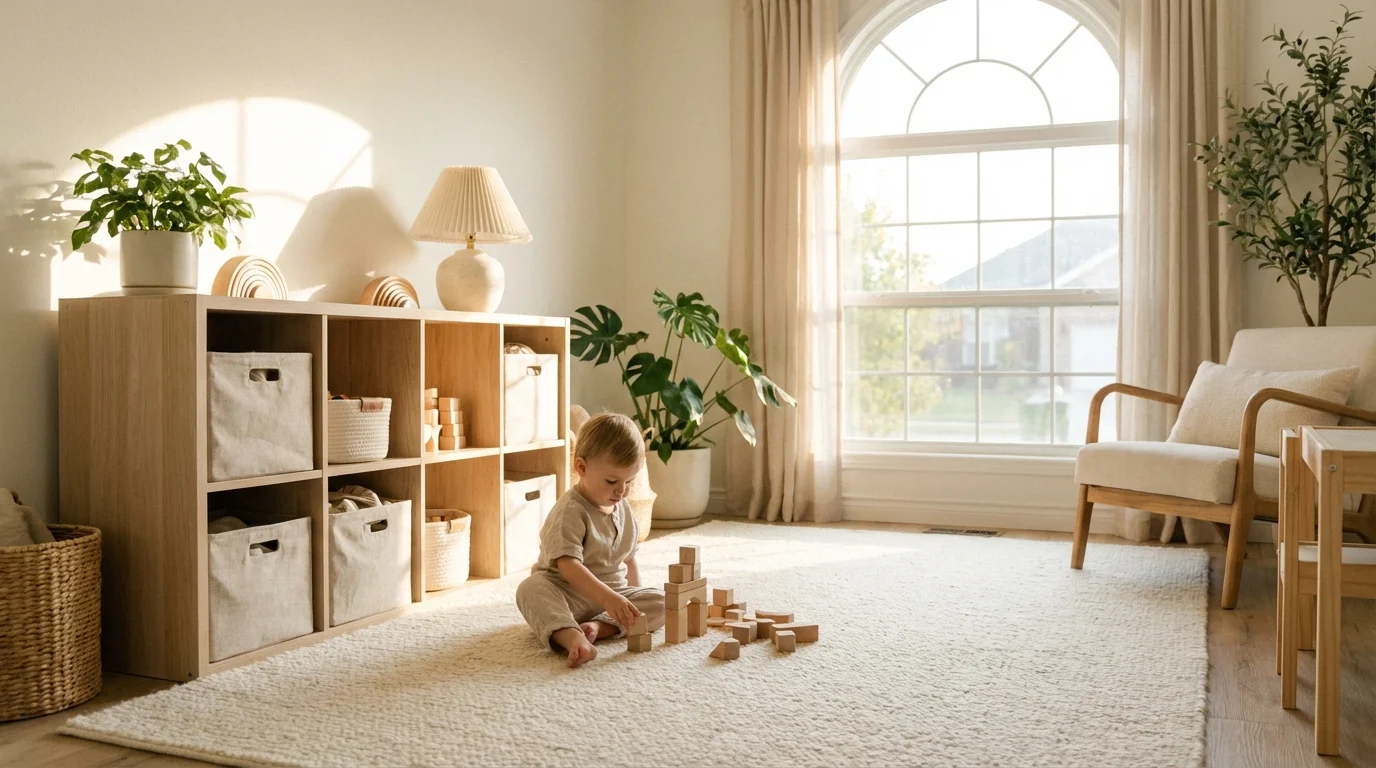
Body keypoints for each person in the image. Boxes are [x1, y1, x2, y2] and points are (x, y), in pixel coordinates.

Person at [515, 413, 664, 667]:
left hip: (611, 596)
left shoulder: (624, 508)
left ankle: (599, 626)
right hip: (566, 594)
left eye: (629, 481)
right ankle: (572, 638)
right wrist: (609, 599)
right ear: (581, 468)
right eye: (612, 481)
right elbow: (568, 566)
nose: (622, 490)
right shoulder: (570, 510)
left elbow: (630, 560)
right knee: (529, 589)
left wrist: (628, 607)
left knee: (664, 601)